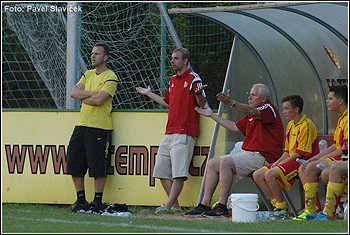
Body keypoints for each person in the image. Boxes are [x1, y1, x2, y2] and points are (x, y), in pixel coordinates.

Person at [184, 83, 284, 218]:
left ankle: (222, 206)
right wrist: (212, 115)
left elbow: (254, 112)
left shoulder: (267, 108)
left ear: (264, 98)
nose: (249, 97)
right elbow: (234, 127)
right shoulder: (251, 113)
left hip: (263, 156)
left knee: (226, 162)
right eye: (249, 94)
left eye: (253, 95)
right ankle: (205, 204)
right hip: (250, 154)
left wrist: (231, 102)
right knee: (212, 163)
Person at [136, 47, 207, 213]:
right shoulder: (173, 80)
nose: (172, 61)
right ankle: (174, 207)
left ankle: (167, 206)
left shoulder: (193, 79)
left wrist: (200, 95)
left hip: (185, 132)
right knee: (160, 171)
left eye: (176, 58)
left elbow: (201, 103)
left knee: (178, 174)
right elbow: (167, 102)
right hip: (169, 131)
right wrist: (148, 93)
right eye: (172, 58)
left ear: (185, 60)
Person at [67, 42, 118, 213]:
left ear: (105, 57)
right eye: (92, 53)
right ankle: (81, 201)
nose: (92, 56)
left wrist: (85, 95)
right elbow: (73, 93)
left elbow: (99, 100)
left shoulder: (110, 76)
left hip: (99, 127)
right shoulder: (88, 74)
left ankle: (97, 202)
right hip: (81, 124)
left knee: (97, 167)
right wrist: (91, 94)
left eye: (97, 54)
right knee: (75, 162)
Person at [253, 95, 318, 218]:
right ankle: (277, 204)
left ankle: (281, 209)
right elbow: (287, 150)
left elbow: (300, 152)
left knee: (270, 174)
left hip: (302, 161)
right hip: (292, 159)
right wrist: (278, 162)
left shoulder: (307, 124)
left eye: (286, 108)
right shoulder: (290, 125)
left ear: (296, 109)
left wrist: (282, 164)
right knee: (258, 175)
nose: (284, 112)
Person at [293, 85, 348, 220]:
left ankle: (325, 212)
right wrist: (316, 157)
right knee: (306, 167)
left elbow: (344, 148)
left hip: (344, 158)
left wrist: (319, 160)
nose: (327, 101)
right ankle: (311, 210)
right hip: (342, 158)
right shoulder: (342, 118)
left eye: (330, 98)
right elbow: (337, 144)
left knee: (321, 169)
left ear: (340, 101)